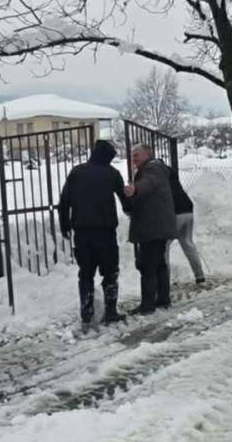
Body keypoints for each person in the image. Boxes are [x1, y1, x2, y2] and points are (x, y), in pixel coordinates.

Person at [58, 140, 128, 332]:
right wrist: (132, 207)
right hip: (105, 232)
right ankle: (111, 311)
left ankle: (86, 313)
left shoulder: (76, 172)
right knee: (110, 272)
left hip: (82, 233)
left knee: (86, 273)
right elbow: (125, 200)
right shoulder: (112, 174)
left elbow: (64, 202)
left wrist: (64, 225)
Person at [124, 144, 177, 314]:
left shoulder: (153, 169)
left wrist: (136, 188)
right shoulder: (151, 169)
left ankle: (148, 305)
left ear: (148, 154)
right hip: (156, 225)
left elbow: (149, 183)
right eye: (132, 155)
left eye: (137, 155)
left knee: (147, 265)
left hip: (153, 226)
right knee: (159, 263)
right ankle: (163, 299)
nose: (134, 158)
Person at [166, 166, 206, 284]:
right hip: (187, 208)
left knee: (164, 246)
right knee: (188, 242)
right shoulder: (171, 174)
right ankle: (199, 275)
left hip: (174, 212)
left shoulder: (157, 176)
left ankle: (164, 281)